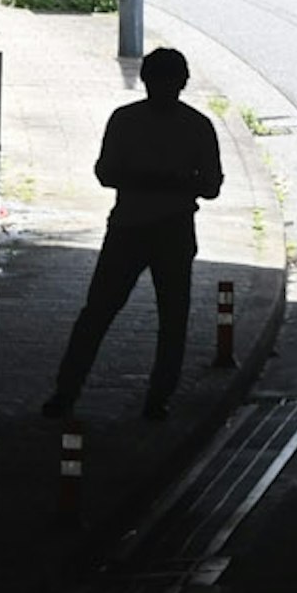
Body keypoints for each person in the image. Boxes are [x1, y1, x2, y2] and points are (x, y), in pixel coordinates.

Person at [41, 46, 223, 421]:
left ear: (144, 79)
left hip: (128, 225)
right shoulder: (198, 126)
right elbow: (211, 185)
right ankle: (157, 400)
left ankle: (65, 393)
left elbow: (105, 173)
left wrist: (140, 179)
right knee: (172, 320)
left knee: (97, 314)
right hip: (173, 229)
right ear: (184, 82)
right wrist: (178, 183)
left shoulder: (125, 120)